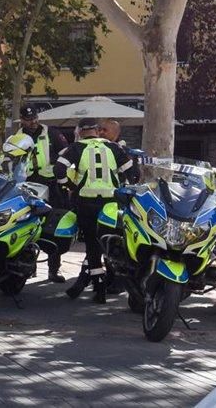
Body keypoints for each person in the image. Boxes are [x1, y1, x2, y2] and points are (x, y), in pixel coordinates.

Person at [55, 117, 137, 302]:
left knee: (92, 246)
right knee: (109, 244)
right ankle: (108, 283)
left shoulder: (76, 148)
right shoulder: (114, 148)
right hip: (111, 204)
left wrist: (68, 186)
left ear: (81, 131)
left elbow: (59, 169)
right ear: (96, 130)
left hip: (86, 203)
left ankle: (99, 290)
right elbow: (133, 174)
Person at [19, 105, 70, 282]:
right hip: (27, 185)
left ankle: (53, 270)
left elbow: (67, 155)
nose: (32, 122)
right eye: (28, 119)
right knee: (25, 225)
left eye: (34, 118)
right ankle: (28, 266)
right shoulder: (17, 137)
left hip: (51, 185)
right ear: (22, 120)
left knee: (52, 228)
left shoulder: (52, 134)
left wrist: (58, 167)